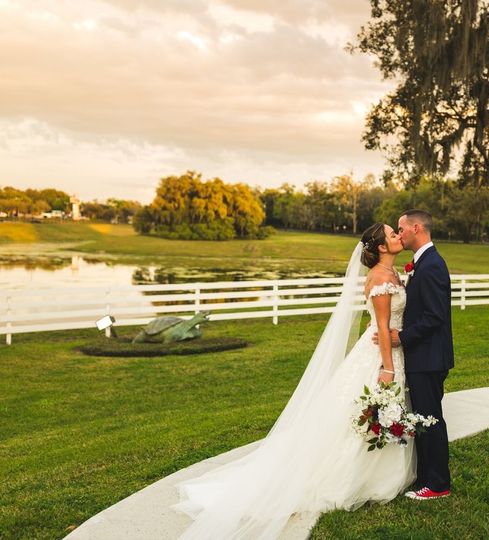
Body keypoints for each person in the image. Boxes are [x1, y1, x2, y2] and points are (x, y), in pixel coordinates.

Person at [173, 223, 415, 539]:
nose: (398, 236)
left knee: (365, 411)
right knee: (364, 410)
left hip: (389, 351)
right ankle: (356, 478)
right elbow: (382, 328)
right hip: (380, 356)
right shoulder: (380, 279)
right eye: (392, 234)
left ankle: (380, 471)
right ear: (382, 247)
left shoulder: (394, 275)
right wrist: (388, 368)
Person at [379, 209, 454, 500]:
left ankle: (438, 484)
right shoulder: (423, 263)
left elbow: (435, 316)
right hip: (423, 356)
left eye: (402, 228)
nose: (399, 234)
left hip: (429, 357)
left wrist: (402, 337)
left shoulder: (432, 265)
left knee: (430, 419)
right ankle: (425, 477)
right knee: (422, 418)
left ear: (417, 228)